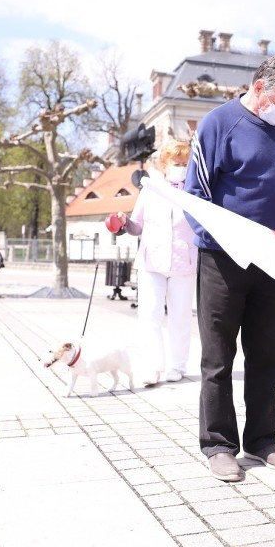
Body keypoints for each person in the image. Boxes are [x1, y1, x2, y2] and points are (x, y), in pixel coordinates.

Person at [184, 53, 275, 482]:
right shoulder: (218, 125)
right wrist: (227, 239)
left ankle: (262, 440)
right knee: (219, 357)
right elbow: (196, 197)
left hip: (271, 258)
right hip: (222, 260)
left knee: (269, 355)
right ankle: (219, 445)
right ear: (258, 88)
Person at [115, 140, 197, 386]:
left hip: (184, 263)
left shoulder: (194, 190)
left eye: (185, 163)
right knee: (149, 316)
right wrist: (123, 221)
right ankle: (153, 366)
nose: (181, 167)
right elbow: (137, 225)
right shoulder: (150, 189)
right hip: (152, 262)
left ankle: (177, 366)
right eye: (177, 163)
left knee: (180, 318)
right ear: (164, 164)